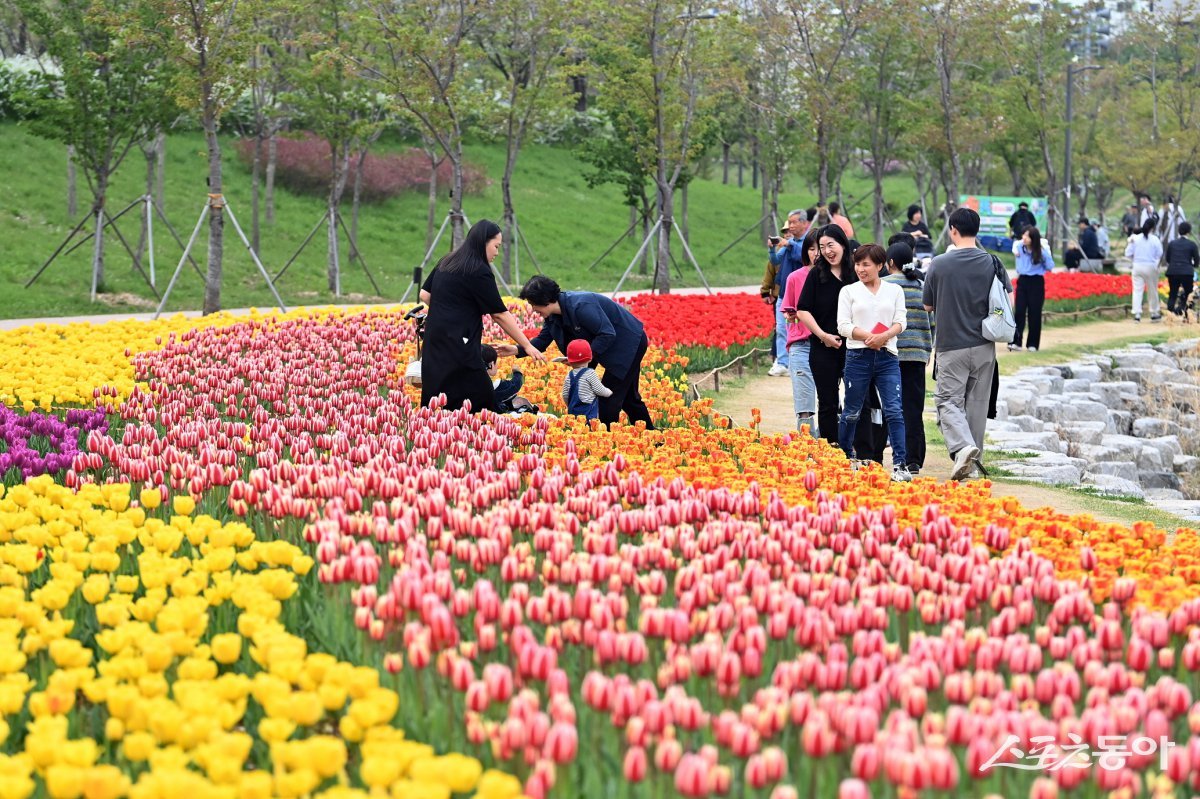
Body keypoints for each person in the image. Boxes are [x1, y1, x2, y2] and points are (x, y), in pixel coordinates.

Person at [418, 219, 546, 412]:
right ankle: (472, 436)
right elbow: (499, 314)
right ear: (483, 242)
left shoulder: (447, 260)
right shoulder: (478, 270)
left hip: (434, 340)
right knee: (480, 396)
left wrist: (448, 311)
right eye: (496, 246)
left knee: (438, 394)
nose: (496, 252)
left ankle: (440, 437)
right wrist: (527, 345)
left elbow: (425, 295)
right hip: (460, 344)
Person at [923, 207, 1012, 481]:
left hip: (952, 345)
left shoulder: (939, 264)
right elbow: (1006, 300)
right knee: (977, 405)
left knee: (948, 400)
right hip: (985, 346)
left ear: (953, 230)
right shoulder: (993, 262)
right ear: (977, 229)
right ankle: (972, 466)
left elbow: (927, 305)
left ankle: (963, 448)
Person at [510, 275, 654, 428]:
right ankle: (651, 434)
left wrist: (581, 357)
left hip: (627, 343)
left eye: (533, 304)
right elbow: (542, 341)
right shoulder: (553, 316)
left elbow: (607, 333)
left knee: (608, 396)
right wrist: (515, 349)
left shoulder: (581, 305)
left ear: (545, 300)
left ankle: (607, 439)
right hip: (607, 345)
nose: (533, 309)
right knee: (629, 398)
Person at [836, 244, 910, 482]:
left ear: (880, 265)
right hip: (858, 356)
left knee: (894, 411)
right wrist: (870, 337)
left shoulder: (894, 290)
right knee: (852, 411)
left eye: (866, 264)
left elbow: (901, 322)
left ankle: (900, 465)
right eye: (857, 264)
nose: (860, 269)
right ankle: (846, 458)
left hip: (888, 355)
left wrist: (884, 337)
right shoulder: (849, 291)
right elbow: (843, 326)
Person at [797, 224, 858, 447]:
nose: (826, 251)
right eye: (821, 247)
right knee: (828, 401)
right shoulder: (816, 275)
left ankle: (855, 445)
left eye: (830, 245)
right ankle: (830, 446)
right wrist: (823, 335)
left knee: (857, 398)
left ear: (843, 243)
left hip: (855, 347)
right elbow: (803, 309)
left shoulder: (856, 273)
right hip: (824, 346)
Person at [884, 243, 932, 475]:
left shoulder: (884, 286)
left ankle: (893, 453)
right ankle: (914, 460)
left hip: (890, 354)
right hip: (917, 354)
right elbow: (931, 323)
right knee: (913, 408)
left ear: (890, 263)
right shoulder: (921, 286)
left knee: (891, 407)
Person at [766, 210, 812, 376]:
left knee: (802, 328)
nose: (790, 226)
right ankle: (783, 362)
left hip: (803, 293)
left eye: (793, 222)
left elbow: (805, 256)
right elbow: (775, 260)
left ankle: (796, 361)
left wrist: (789, 244)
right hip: (784, 293)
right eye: (789, 222)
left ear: (804, 223)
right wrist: (772, 249)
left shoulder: (809, 242)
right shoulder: (790, 242)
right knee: (781, 328)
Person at [781, 237, 819, 434]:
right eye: (811, 249)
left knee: (831, 400)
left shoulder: (835, 278)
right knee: (804, 400)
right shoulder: (795, 278)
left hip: (827, 346)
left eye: (819, 248)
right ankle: (806, 444)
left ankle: (832, 444)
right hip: (801, 344)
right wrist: (794, 316)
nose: (816, 253)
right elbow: (787, 313)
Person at [1010, 226, 1053, 352]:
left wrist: (1043, 254)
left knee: (1034, 313)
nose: (1024, 237)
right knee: (1019, 312)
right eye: (1023, 234)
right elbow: (1014, 245)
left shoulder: (1041, 251)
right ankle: (1016, 342)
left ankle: (1033, 344)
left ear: (1033, 238)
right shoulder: (1019, 248)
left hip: (1036, 281)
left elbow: (1050, 266)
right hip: (1022, 280)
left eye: (1027, 236)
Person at [1125, 218, 1165, 323]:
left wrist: (1134, 259)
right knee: (1152, 290)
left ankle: (1137, 314)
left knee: (1137, 290)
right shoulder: (1155, 239)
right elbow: (1159, 254)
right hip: (1150, 266)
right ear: (1153, 227)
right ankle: (1154, 313)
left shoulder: (1135, 239)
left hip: (1137, 266)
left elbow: (1128, 253)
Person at [561, 340, 612, 420]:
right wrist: (609, 393)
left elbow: (565, 395)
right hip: (588, 413)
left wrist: (570, 405)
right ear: (590, 359)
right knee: (589, 429)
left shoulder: (569, 376)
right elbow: (599, 390)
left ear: (570, 361)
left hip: (573, 413)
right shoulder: (590, 373)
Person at [759, 225, 788, 365]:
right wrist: (765, 291)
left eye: (790, 231)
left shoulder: (801, 251)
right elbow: (769, 272)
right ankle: (778, 358)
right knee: (780, 328)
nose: (788, 234)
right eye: (785, 232)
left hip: (796, 295)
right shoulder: (779, 252)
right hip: (779, 295)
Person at [1165, 220, 1199, 318]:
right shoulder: (1192, 244)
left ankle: (1170, 316)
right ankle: (1187, 316)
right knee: (1189, 294)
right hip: (1186, 272)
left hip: (1173, 271)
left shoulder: (1172, 243)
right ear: (1188, 232)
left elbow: (1168, 259)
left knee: (1173, 294)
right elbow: (1197, 260)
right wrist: (1193, 265)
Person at [482, 344, 527, 414]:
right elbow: (515, 385)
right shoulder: (495, 385)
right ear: (491, 365)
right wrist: (517, 373)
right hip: (495, 416)